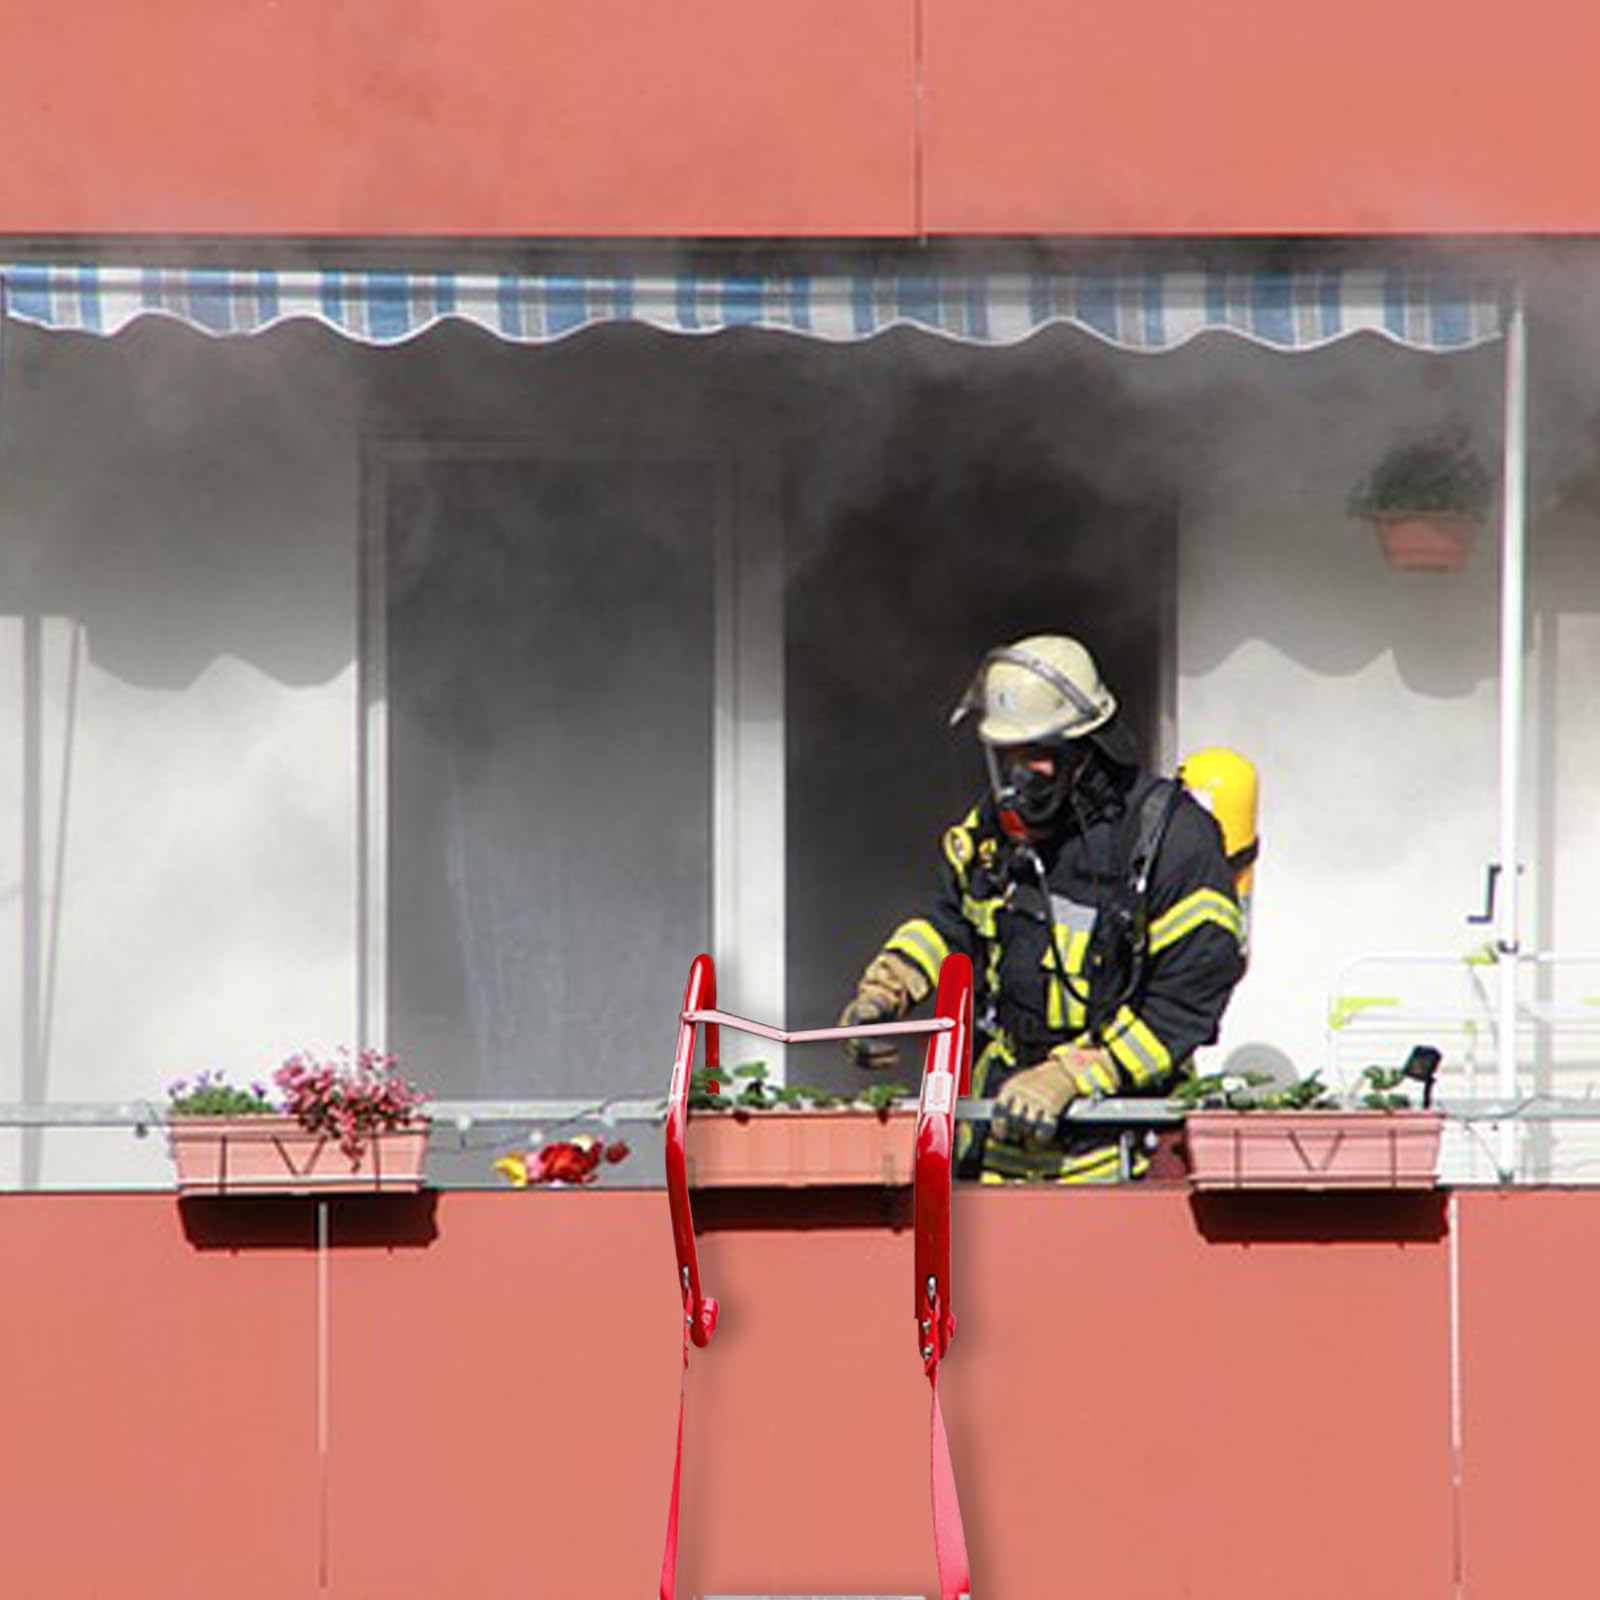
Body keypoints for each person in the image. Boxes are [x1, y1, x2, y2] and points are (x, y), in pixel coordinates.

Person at [838, 633, 1247, 1182]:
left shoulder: (1171, 838)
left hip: (1120, 1137)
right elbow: (951, 922)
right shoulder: (995, 832)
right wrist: (885, 990)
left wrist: (1075, 1074)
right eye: (1004, 756)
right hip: (1000, 1130)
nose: (1017, 777)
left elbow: (1188, 998)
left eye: (1037, 756)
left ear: (1086, 746)